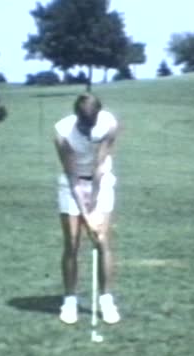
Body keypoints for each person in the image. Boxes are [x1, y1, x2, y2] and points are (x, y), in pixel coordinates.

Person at [53, 93, 121, 325]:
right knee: (72, 241)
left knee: (101, 240)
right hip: (72, 183)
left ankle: (106, 299)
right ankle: (70, 300)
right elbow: (72, 177)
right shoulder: (62, 132)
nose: (87, 130)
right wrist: (85, 213)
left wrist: (93, 210)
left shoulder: (109, 124)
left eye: (90, 125)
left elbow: (99, 167)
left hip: (99, 183)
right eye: (83, 125)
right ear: (76, 117)